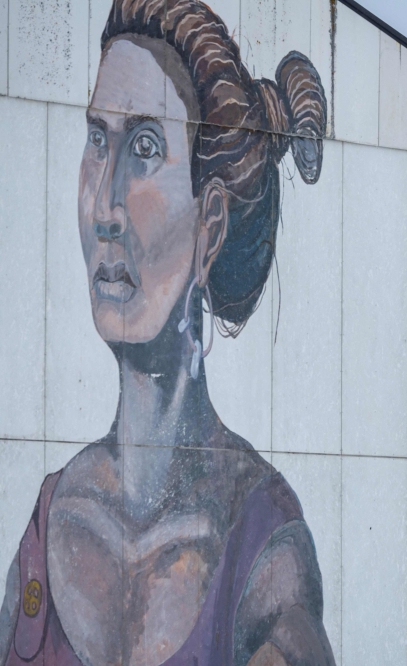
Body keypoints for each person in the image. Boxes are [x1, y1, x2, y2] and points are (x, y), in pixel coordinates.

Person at [0, 2, 334, 664]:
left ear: (210, 222)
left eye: (144, 147)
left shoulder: (263, 548)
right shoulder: (51, 515)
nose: (105, 206)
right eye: (98, 140)